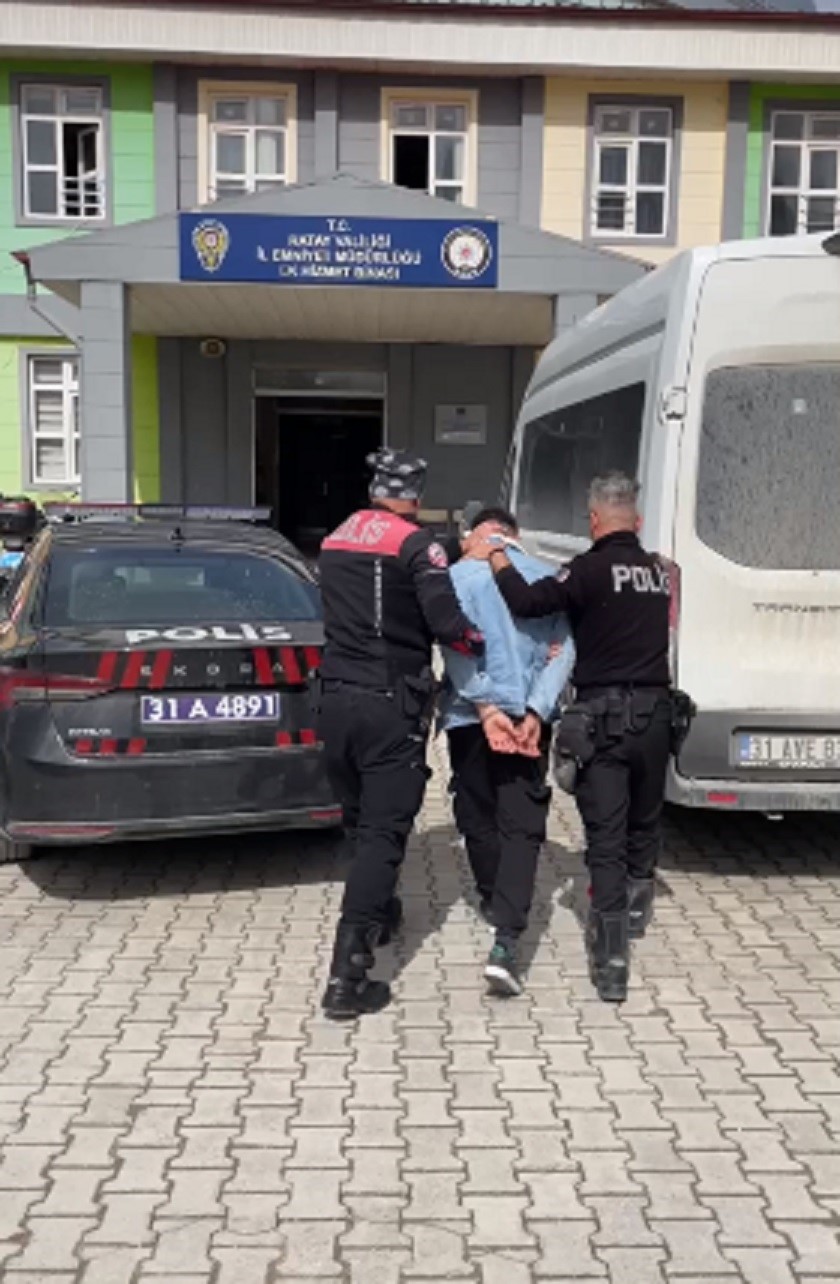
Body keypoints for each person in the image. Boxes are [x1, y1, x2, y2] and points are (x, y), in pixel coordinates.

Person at [473, 473, 673, 1004]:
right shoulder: (659, 571)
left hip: (606, 721)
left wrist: (497, 555)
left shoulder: (588, 570)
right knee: (643, 822)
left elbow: (525, 600)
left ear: (593, 520)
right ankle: (635, 908)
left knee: (605, 839)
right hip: (657, 719)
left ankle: (611, 961)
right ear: (637, 520)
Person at [317, 448, 483, 1021]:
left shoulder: (337, 537)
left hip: (334, 699)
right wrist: (483, 642)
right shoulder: (418, 545)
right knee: (384, 837)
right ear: (415, 495)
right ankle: (347, 977)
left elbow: (391, 570)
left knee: (360, 820)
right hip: (390, 704)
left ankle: (382, 912)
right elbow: (448, 625)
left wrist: (458, 547)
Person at [439, 508, 574, 997]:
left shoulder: (457, 577)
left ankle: (494, 898)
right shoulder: (549, 578)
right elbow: (567, 649)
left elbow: (453, 645)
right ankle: (507, 939)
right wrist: (537, 709)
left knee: (477, 814)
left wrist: (485, 705)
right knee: (522, 824)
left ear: (479, 534)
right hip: (527, 722)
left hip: (469, 717)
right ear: (514, 536)